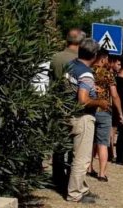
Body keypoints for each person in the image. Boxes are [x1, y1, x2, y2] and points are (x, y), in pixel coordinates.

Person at [65, 38, 107, 204]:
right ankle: (75, 193)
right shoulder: (86, 73)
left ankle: (81, 188)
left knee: (73, 155)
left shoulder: (70, 65)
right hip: (82, 117)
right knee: (81, 158)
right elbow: (82, 100)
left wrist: (91, 89)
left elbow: (73, 88)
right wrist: (100, 102)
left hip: (67, 113)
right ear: (95, 55)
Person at [50, 28, 84, 190]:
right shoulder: (80, 60)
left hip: (57, 104)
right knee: (75, 147)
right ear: (81, 42)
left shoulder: (55, 57)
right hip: (74, 107)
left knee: (58, 144)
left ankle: (57, 176)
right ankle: (71, 180)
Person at [88, 50, 123, 182]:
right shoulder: (108, 74)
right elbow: (114, 95)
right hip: (104, 111)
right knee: (103, 143)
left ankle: (89, 168)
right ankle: (102, 174)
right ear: (103, 59)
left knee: (90, 141)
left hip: (90, 108)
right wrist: (120, 112)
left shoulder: (88, 71)